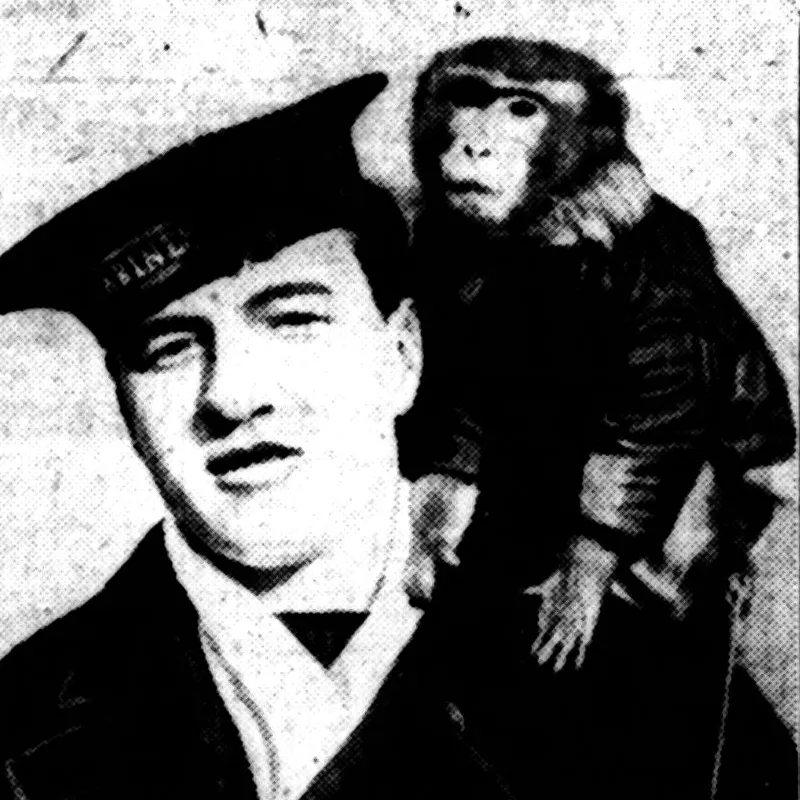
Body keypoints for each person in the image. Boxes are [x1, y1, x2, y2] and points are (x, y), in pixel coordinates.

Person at [0, 73, 516, 800]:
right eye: (169, 349)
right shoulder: (17, 721)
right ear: (127, 411)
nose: (232, 396)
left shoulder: (649, 681)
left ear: (402, 357)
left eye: (295, 318)